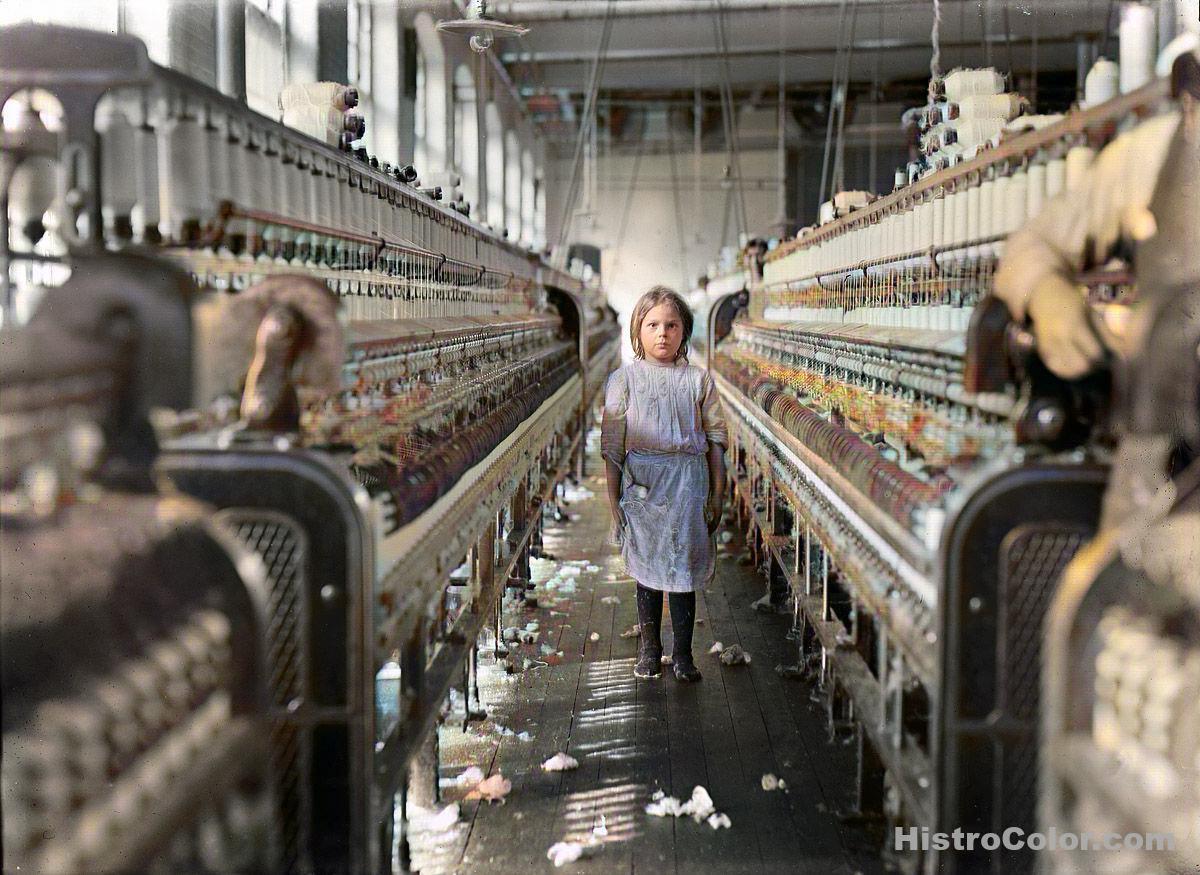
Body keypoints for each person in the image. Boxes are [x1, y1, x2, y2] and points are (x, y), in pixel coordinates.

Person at [993, 45, 1200, 528]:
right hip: (1160, 459)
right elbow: (1032, 244)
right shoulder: (1146, 158)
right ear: (1189, 98)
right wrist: (1047, 294)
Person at [600, 286, 729, 682]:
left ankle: (684, 655)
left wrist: (718, 495)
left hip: (688, 483)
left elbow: (717, 441)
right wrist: (613, 506)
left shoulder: (698, 380)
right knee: (649, 567)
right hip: (643, 483)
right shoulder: (623, 381)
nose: (662, 334)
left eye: (672, 326)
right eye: (653, 325)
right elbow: (612, 448)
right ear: (637, 331)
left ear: (684, 332)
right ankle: (650, 648)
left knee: (684, 570)